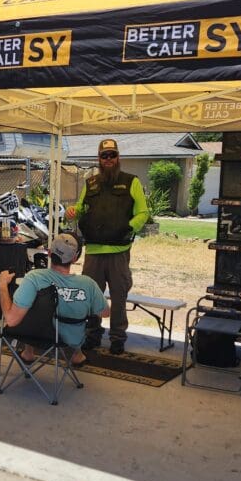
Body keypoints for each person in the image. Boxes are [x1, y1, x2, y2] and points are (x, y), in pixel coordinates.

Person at [65, 138, 148, 354]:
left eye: (112, 155)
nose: (109, 159)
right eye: (104, 156)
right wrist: (72, 211)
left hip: (118, 251)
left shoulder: (132, 182)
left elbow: (143, 212)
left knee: (119, 296)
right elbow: (81, 208)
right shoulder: (90, 183)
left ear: (118, 157)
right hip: (93, 252)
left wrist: (129, 227)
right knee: (92, 296)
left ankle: (118, 338)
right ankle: (92, 334)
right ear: (99, 159)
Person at [0, 233, 109, 366]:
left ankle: (28, 352)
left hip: (36, 335)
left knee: (34, 307)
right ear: (74, 258)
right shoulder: (88, 284)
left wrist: (2, 285)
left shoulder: (34, 278)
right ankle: (77, 355)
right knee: (70, 311)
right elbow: (105, 313)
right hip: (69, 339)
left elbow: (11, 320)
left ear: (49, 253)